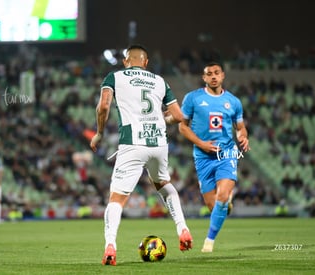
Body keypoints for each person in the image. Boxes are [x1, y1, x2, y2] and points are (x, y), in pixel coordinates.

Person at [90, 44, 193, 266]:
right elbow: (179, 116)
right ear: (146, 62)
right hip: (158, 144)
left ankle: (110, 246)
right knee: (164, 184)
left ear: (126, 61)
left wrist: (99, 133)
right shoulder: (159, 81)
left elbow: (103, 107)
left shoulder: (114, 77)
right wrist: (161, 119)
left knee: (116, 199)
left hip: (132, 144)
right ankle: (182, 228)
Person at [179, 62, 250, 253]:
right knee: (214, 206)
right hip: (202, 157)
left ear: (223, 76)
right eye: (209, 74)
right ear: (204, 78)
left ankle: (209, 241)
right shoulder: (193, 98)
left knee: (222, 196)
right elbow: (182, 126)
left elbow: (240, 127)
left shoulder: (233, 102)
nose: (213, 76)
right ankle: (225, 204)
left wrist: (243, 136)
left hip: (227, 154)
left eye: (216, 73)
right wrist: (201, 144)